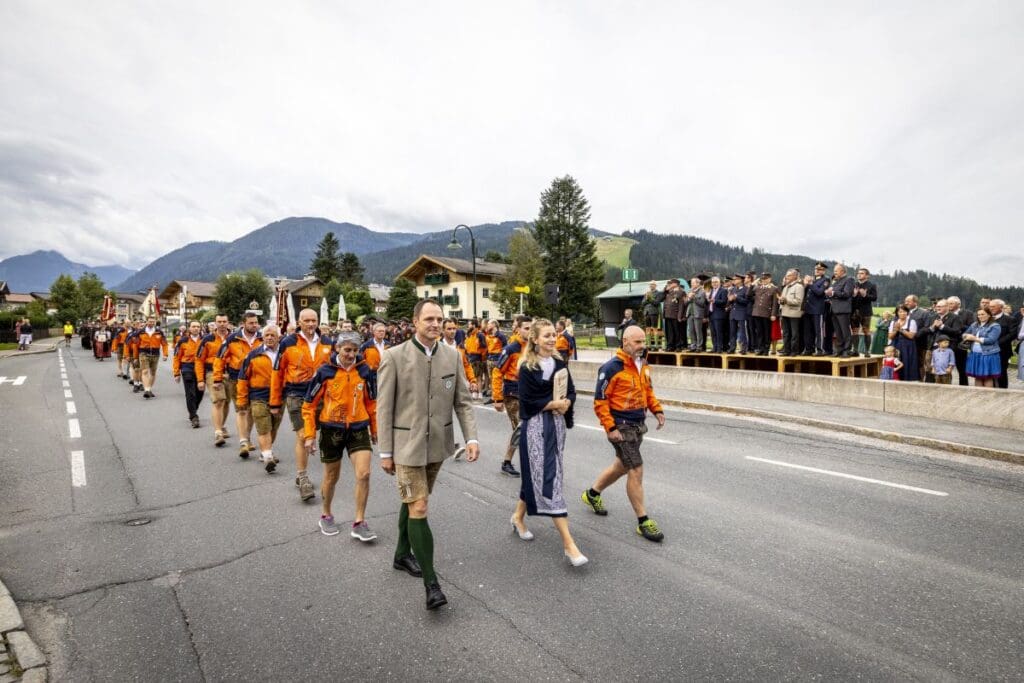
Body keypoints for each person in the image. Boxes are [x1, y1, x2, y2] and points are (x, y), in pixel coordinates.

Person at [377, 299, 479, 610]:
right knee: (419, 505)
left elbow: (462, 401)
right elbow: (384, 407)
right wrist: (385, 451)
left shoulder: (453, 355)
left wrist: (471, 437)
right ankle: (432, 585)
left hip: (438, 444)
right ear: (415, 321)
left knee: (414, 501)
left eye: (440, 319)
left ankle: (400, 555)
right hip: (405, 447)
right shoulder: (394, 357)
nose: (435, 324)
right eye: (429, 319)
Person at [509, 319, 587, 566]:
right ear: (534, 339)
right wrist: (552, 404)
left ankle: (518, 517)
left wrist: (567, 403)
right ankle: (569, 544)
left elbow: (571, 391)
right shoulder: (526, 368)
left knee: (538, 474)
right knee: (548, 479)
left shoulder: (560, 364)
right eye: (546, 336)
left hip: (556, 427)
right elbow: (527, 401)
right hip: (535, 427)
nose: (552, 339)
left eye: (554, 335)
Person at [582, 326, 667, 542]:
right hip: (621, 426)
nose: (642, 346)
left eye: (643, 341)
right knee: (636, 469)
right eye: (637, 342)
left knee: (622, 466)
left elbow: (647, 390)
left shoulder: (643, 364)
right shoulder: (611, 368)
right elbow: (600, 401)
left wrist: (657, 409)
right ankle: (643, 521)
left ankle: (592, 494)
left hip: (638, 424)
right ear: (625, 341)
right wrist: (610, 428)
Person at [302, 331, 379, 539]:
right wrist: (309, 435)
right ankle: (326, 515)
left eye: (355, 350)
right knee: (331, 477)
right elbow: (308, 405)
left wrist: (375, 429)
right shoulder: (324, 371)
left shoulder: (365, 371)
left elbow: (372, 403)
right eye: (347, 350)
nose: (351, 354)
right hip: (331, 429)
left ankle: (359, 521)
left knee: (364, 474)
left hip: (358, 427)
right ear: (337, 348)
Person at [272, 308, 333, 502]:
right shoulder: (287, 343)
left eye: (313, 320)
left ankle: (328, 478)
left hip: (322, 396)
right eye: (306, 320)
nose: (310, 324)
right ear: (299, 321)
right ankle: (302, 476)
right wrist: (275, 401)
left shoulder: (327, 342)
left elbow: (334, 370)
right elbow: (277, 372)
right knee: (303, 436)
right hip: (296, 394)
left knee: (327, 436)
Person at [215, 312, 262, 458]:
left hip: (256, 380)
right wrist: (217, 379)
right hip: (236, 379)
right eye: (251, 323)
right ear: (243, 324)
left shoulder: (262, 338)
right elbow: (219, 358)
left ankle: (247, 437)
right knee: (241, 410)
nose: (254, 325)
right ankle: (243, 442)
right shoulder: (231, 339)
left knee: (252, 411)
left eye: (256, 323)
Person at [237, 324, 284, 472]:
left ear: (279, 337)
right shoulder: (253, 355)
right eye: (267, 335)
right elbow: (243, 378)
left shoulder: (285, 354)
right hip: (258, 395)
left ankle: (266, 451)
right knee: (263, 426)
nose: (269, 338)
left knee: (273, 426)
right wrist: (242, 400)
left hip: (278, 396)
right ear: (262, 337)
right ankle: (268, 455)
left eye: (273, 335)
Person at [492, 316, 532, 477]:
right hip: (512, 393)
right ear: (518, 329)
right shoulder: (511, 348)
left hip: (528, 393)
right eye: (526, 328)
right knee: (520, 429)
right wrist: (497, 398)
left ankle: (508, 462)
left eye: (531, 328)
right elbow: (497, 371)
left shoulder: (533, 348)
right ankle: (512, 463)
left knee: (522, 429)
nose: (529, 331)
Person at [196, 313, 233, 447]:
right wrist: (200, 379)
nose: (222, 324)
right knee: (219, 401)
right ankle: (218, 432)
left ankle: (221, 425)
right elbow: (199, 360)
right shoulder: (207, 339)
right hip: (212, 373)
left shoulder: (234, 338)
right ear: (215, 323)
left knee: (227, 402)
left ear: (228, 323)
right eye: (219, 321)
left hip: (230, 374)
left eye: (224, 321)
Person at [172, 321, 206, 428]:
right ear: (189, 328)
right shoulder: (182, 341)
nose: (196, 328)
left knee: (199, 392)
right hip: (188, 367)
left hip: (201, 368)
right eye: (193, 326)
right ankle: (193, 416)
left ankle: (193, 409)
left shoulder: (205, 340)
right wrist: (176, 373)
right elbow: (176, 357)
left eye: (197, 327)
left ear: (200, 328)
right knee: (190, 393)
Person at [963, 308, 1001, 388]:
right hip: (975, 354)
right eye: (979, 314)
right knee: (978, 377)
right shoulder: (974, 324)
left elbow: (991, 340)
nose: (980, 316)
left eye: (983, 314)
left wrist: (974, 338)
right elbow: (965, 334)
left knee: (987, 377)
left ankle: (988, 398)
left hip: (988, 355)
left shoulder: (995, 326)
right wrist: (966, 336)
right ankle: (978, 397)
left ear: (989, 315)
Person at [825, 264, 855, 357]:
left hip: (843, 310)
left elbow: (846, 294)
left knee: (845, 331)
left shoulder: (849, 280)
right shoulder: (836, 282)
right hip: (834, 310)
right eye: (834, 271)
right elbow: (834, 295)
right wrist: (829, 294)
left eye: (836, 271)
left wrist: (833, 293)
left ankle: (846, 350)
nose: (834, 273)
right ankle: (839, 350)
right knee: (838, 332)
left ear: (842, 271)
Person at [989, 299, 1019, 389]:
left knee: (1001, 373)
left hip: (1002, 351)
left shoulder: (1010, 319)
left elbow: (1012, 334)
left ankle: (1002, 392)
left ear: (1001, 307)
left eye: (993, 306)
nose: (991, 308)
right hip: (987, 350)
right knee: (989, 373)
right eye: (990, 306)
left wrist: (997, 342)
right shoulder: (988, 318)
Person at [136, 316, 169, 398]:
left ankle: (149, 388)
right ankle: (146, 390)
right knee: (145, 371)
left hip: (155, 354)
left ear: (155, 322)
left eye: (153, 322)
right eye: (150, 321)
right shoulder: (140, 332)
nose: (151, 323)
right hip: (144, 353)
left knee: (153, 373)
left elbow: (164, 344)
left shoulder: (159, 332)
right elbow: (136, 345)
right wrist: (135, 357)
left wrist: (165, 354)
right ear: (146, 322)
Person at [946, 296, 975, 386]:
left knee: (961, 368)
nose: (949, 305)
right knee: (946, 367)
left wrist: (958, 325)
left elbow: (972, 328)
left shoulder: (968, 313)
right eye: (948, 303)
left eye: (951, 303)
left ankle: (963, 386)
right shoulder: (946, 314)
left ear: (958, 304)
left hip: (960, 344)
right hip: (947, 344)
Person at [804, 262, 830, 356]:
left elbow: (819, 292)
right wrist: (805, 285)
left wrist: (810, 284)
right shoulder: (813, 279)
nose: (817, 271)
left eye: (819, 269)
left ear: (823, 271)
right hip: (808, 308)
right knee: (808, 330)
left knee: (818, 330)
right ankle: (808, 349)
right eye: (816, 269)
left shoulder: (825, 280)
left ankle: (820, 349)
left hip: (817, 309)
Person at [888, 306, 920, 382]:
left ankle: (908, 380)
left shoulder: (912, 321)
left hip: (908, 346)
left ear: (907, 313)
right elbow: (890, 336)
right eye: (900, 312)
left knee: (907, 363)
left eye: (904, 311)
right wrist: (895, 331)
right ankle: (896, 379)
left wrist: (901, 329)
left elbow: (911, 336)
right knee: (896, 362)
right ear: (897, 313)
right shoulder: (893, 322)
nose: (902, 313)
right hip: (896, 345)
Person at [749, 273, 778, 356]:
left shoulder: (773, 289)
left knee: (766, 332)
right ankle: (760, 348)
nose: (764, 280)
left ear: (769, 279)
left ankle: (766, 349)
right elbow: (748, 295)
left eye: (766, 279)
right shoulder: (757, 288)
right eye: (762, 279)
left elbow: (775, 303)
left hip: (766, 313)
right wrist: (752, 285)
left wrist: (773, 314)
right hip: (757, 312)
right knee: (759, 332)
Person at [777, 269, 804, 356]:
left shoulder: (799, 287)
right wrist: (780, 301)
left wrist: (786, 300)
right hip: (784, 312)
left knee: (794, 334)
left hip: (794, 314)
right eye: (786, 275)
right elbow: (783, 300)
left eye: (788, 276)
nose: (786, 277)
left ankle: (794, 351)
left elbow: (798, 301)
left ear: (794, 276)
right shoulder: (785, 287)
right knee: (786, 333)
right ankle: (786, 350)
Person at [851, 268, 878, 356]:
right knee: (854, 331)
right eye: (858, 273)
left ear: (867, 276)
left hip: (866, 312)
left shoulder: (871, 285)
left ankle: (867, 351)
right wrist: (854, 295)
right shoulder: (854, 284)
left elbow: (874, 298)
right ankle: (855, 350)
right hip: (855, 311)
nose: (859, 275)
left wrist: (865, 295)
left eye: (862, 273)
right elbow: (850, 298)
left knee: (866, 331)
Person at [483, 318, 507, 403]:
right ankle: (494, 396)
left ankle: (500, 396)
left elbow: (505, 347)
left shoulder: (500, 336)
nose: (487, 325)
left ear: (494, 325)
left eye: (489, 324)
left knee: (498, 378)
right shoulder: (488, 336)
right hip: (490, 358)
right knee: (491, 378)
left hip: (497, 359)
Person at [463, 319, 488, 399]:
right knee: (472, 376)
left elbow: (484, 348)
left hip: (477, 358)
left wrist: (482, 357)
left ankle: (479, 393)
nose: (468, 326)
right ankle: (474, 391)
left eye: (469, 324)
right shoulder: (469, 335)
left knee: (478, 377)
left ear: (474, 325)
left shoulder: (480, 335)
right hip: (470, 357)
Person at [727, 274, 750, 354]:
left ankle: (744, 348)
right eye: (734, 279)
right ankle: (732, 347)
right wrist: (730, 300)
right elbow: (730, 301)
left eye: (735, 279)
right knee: (732, 332)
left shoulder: (746, 289)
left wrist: (737, 297)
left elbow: (746, 301)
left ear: (741, 280)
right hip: (733, 313)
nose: (734, 280)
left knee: (743, 332)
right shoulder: (733, 289)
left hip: (741, 313)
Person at [661, 279, 686, 352]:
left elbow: (681, 305)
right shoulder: (668, 292)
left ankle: (678, 346)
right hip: (668, 315)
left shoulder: (680, 292)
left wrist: (679, 316)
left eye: (671, 283)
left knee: (677, 332)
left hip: (675, 315)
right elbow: (661, 298)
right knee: (669, 332)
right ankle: (670, 346)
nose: (670, 285)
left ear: (676, 284)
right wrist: (665, 290)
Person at [707, 276, 729, 353]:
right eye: (713, 282)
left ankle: (720, 348)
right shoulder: (712, 290)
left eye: (716, 282)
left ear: (719, 282)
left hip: (719, 314)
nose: (714, 284)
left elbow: (724, 301)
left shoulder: (723, 290)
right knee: (713, 332)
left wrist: (715, 300)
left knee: (719, 332)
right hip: (711, 314)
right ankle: (714, 347)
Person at [684, 278, 707, 352]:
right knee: (691, 331)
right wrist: (688, 298)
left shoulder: (702, 292)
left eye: (693, 283)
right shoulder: (690, 291)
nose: (691, 284)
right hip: (690, 314)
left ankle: (699, 347)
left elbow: (702, 304)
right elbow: (686, 303)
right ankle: (693, 346)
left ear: (698, 284)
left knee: (698, 331)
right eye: (691, 283)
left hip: (698, 314)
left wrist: (694, 297)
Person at [641, 281, 663, 348]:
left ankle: (656, 345)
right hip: (646, 312)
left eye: (652, 284)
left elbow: (656, 303)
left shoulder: (658, 293)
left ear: (655, 285)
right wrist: (647, 298)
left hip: (654, 312)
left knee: (654, 328)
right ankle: (648, 344)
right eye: (650, 284)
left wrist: (650, 299)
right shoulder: (647, 293)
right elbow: (643, 303)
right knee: (647, 328)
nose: (651, 286)